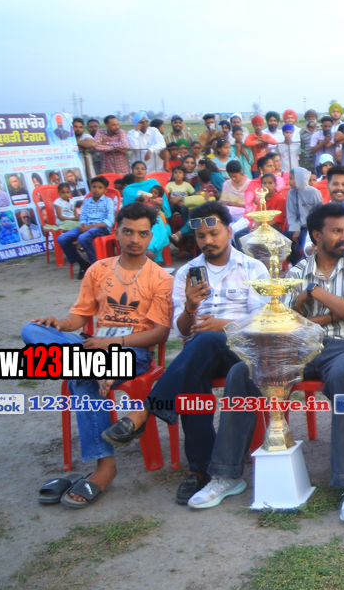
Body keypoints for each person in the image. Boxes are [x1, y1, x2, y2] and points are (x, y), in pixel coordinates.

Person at [183, 202, 344, 517]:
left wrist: (314, 293)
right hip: (297, 345)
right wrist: (330, 313)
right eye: (336, 231)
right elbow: (284, 320)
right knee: (241, 371)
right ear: (316, 235)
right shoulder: (296, 272)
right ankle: (226, 475)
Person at [100, 201, 269, 503]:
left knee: (205, 342)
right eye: (201, 236)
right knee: (194, 369)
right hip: (201, 353)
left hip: (243, 353)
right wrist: (190, 307)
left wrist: (222, 325)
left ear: (229, 231)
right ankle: (201, 468)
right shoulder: (187, 272)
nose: (208, 241)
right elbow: (182, 330)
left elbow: (262, 322)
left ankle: (146, 412)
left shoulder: (253, 268)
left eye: (214, 233)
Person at [24, 202, 173, 508]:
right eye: (128, 232)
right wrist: (59, 324)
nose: (134, 239)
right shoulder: (98, 269)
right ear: (116, 231)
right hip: (92, 346)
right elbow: (79, 316)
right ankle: (95, 368)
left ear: (150, 236)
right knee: (32, 330)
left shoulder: (161, 278)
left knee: (80, 376)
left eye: (142, 233)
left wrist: (112, 343)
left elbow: (159, 334)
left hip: (133, 350)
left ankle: (105, 467)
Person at [57, 176, 116, 276]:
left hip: (101, 228)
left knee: (83, 238)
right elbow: (83, 216)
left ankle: (96, 267)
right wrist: (82, 225)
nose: (96, 189)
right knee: (62, 238)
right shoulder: (87, 201)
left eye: (100, 187)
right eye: (94, 187)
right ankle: (82, 263)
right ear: (90, 187)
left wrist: (90, 226)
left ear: (105, 190)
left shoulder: (108, 201)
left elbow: (109, 222)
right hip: (86, 227)